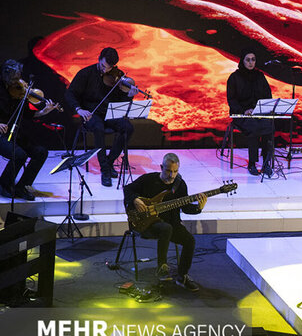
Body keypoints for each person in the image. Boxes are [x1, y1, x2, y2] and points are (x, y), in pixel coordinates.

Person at [123, 152, 207, 292]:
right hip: (147, 225)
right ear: (161, 167)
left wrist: (198, 208)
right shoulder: (148, 179)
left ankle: (182, 276)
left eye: (175, 171)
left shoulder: (180, 185)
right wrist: (135, 199)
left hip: (171, 224)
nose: (172, 175)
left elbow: (185, 208)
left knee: (190, 240)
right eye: (168, 171)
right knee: (165, 228)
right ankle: (162, 267)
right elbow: (127, 189)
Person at [65, 47, 139, 187]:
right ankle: (105, 170)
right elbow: (70, 94)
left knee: (128, 128)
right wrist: (79, 109)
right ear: (99, 59)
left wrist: (129, 96)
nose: (106, 70)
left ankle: (109, 162)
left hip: (110, 114)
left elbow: (121, 101)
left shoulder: (118, 76)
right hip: (91, 113)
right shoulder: (85, 73)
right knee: (98, 128)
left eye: (110, 68)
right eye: (104, 66)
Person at [0, 59, 57, 201]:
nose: (17, 81)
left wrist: (44, 111)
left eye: (18, 77)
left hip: (14, 132)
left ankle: (22, 186)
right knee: (19, 155)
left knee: (41, 152)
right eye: (14, 78)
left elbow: (28, 114)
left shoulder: (19, 92)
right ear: (5, 76)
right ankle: (4, 185)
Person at [227, 47, 274, 176]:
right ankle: (252, 163)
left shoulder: (260, 76)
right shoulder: (234, 77)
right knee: (254, 127)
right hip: (241, 114)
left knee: (268, 126)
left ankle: (266, 163)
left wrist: (261, 109)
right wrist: (244, 110)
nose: (250, 63)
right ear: (242, 61)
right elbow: (231, 99)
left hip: (259, 113)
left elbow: (267, 95)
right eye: (247, 60)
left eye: (253, 60)